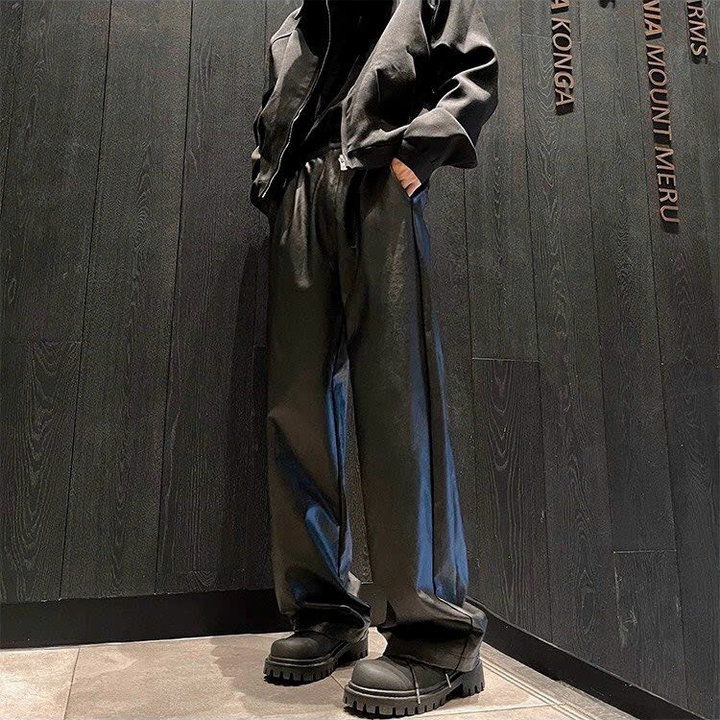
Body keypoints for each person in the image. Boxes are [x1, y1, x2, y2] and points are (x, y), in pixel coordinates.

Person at [249, 0, 499, 715]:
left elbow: (476, 67)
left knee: (396, 397)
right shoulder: (294, 26)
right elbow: (276, 110)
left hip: (378, 174)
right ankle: (326, 611)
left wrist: (418, 150)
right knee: (297, 405)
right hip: (302, 188)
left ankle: (436, 635)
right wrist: (271, 179)